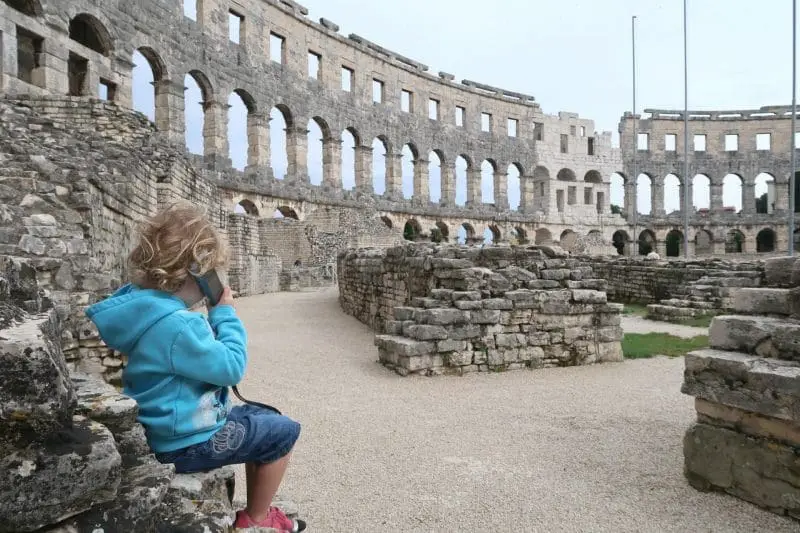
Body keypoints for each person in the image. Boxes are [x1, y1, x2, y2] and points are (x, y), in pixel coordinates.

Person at [85, 203, 305, 532]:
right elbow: (231, 367)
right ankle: (258, 518)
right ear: (194, 273)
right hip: (187, 442)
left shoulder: (145, 310)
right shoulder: (179, 326)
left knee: (264, 419)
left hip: (164, 427)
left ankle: (258, 506)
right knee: (282, 431)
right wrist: (224, 313)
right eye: (210, 274)